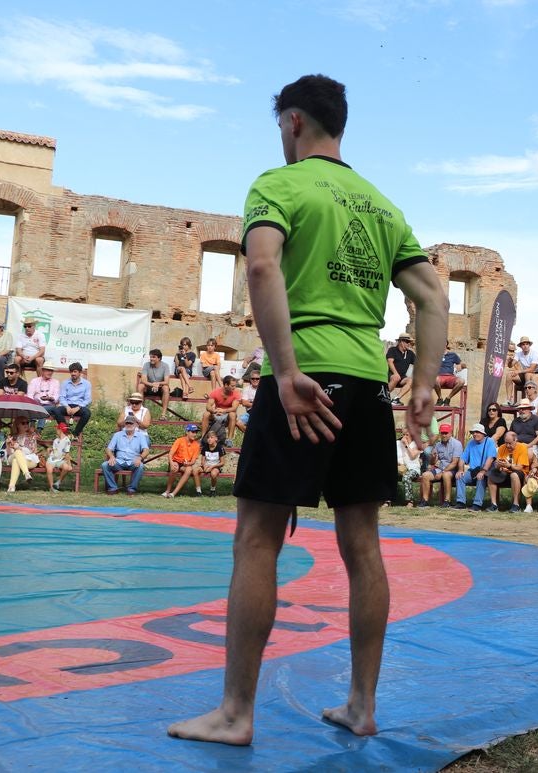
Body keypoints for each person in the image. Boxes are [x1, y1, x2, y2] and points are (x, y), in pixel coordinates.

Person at [168, 74, 449, 746]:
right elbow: (433, 299)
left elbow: (263, 270)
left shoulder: (279, 184)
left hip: (303, 381)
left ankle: (236, 712)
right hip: (367, 383)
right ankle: (361, 704)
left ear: (294, 122)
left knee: (257, 538)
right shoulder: (383, 206)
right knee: (362, 545)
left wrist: (288, 371)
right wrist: (424, 386)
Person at [101, 416, 150, 495]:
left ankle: (132, 489)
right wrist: (112, 456)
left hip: (133, 461)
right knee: (105, 465)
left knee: (140, 466)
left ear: (136, 425)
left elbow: (146, 450)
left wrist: (140, 458)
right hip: (119, 461)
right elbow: (108, 449)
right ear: (124, 424)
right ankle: (113, 488)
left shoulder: (141, 436)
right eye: (127, 423)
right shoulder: (117, 435)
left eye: (131, 423)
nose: (129, 425)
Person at [417, 423, 462, 507]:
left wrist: (442, 472)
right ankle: (425, 500)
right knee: (425, 475)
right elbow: (432, 463)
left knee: (446, 475)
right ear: (440, 434)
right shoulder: (438, 445)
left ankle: (447, 501)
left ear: (450, 433)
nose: (444, 435)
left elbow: (455, 462)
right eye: (442, 433)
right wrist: (433, 457)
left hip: (452, 469)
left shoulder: (457, 444)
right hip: (440, 468)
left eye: (446, 433)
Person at [454, 423, 497, 510]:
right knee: (460, 477)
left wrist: (483, 471)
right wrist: (460, 470)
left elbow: (491, 458)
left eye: (477, 432)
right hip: (473, 471)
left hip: (485, 470)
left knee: (481, 477)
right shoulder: (471, 443)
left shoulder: (489, 442)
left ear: (483, 433)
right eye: (473, 432)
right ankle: (460, 502)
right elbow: (462, 458)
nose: (474, 434)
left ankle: (477, 504)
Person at [488, 429, 530, 512]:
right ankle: (494, 504)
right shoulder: (502, 448)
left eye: (510, 443)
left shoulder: (522, 448)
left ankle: (516, 504)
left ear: (516, 440)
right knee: (491, 474)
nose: (507, 445)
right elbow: (497, 464)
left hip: (519, 473)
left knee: (514, 475)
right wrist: (498, 465)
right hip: (504, 472)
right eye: (506, 442)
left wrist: (509, 466)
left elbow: (520, 467)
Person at [46, 363, 91, 437]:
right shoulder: (65, 383)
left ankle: (75, 434)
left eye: (75, 372)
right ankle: (66, 431)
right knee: (57, 410)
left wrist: (78, 407)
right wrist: (67, 407)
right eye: (71, 372)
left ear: (80, 372)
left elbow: (87, 399)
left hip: (79, 406)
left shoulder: (87, 384)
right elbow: (62, 397)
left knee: (87, 413)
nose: (73, 374)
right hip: (67, 405)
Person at [163, 424, 202, 498]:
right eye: (193, 432)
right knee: (174, 468)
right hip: (176, 461)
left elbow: (193, 461)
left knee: (189, 469)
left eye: (196, 432)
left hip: (186, 463)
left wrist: (188, 463)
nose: (195, 434)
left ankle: (173, 493)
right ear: (187, 432)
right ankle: (167, 490)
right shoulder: (179, 440)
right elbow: (170, 454)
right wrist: (171, 463)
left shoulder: (197, 445)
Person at [201, 375, 242, 445]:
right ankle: (203, 438)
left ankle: (229, 440)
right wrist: (214, 411)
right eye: (232, 386)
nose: (234, 387)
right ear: (226, 385)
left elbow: (234, 408)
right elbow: (208, 406)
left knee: (233, 414)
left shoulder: (236, 393)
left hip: (227, 415)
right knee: (206, 414)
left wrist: (223, 411)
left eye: (235, 386)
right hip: (216, 414)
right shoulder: (216, 392)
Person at [4, 416, 40, 493]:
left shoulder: (32, 435)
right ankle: (26, 473)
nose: (26, 424)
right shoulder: (12, 437)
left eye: (27, 422)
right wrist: (7, 444)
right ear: (17, 425)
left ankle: (11, 486)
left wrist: (19, 447)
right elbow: (9, 453)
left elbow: (31, 451)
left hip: (29, 459)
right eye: (23, 423)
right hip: (12, 456)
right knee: (16, 453)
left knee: (15, 461)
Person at [138, 348, 171, 416]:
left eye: (153, 357)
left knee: (166, 388)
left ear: (159, 358)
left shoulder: (165, 366)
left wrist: (157, 384)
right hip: (149, 388)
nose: (151, 359)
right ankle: (140, 412)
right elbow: (143, 380)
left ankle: (163, 414)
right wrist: (152, 384)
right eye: (150, 357)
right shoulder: (146, 365)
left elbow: (166, 381)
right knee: (140, 386)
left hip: (160, 389)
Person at [385, 334, 415, 405]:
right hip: (391, 375)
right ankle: (383, 397)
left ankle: (396, 399)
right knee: (396, 377)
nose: (409, 344)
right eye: (407, 342)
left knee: (411, 380)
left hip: (402, 377)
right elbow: (390, 362)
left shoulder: (410, 353)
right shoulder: (392, 350)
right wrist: (395, 373)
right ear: (401, 342)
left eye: (410, 342)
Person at [508, 336, 538, 404]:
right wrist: (510, 361)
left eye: (527, 344)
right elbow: (510, 365)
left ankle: (528, 399)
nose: (525, 346)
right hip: (524, 373)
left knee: (527, 374)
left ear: (529, 345)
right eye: (523, 344)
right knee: (509, 375)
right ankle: (509, 400)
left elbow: (532, 369)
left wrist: (519, 371)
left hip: (535, 374)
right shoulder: (518, 354)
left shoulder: (534, 354)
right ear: (521, 346)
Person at [395, 427, 422, 506]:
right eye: (403, 434)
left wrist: (406, 445)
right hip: (403, 468)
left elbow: (413, 455)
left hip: (414, 469)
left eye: (407, 435)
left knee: (407, 477)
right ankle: (387, 500)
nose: (404, 437)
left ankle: (410, 501)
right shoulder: (399, 444)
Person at [44, 421, 73, 493]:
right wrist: (49, 451)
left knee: (66, 467)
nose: (56, 431)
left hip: (60, 460)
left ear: (60, 430)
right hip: (52, 459)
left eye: (57, 429)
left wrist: (69, 465)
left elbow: (67, 453)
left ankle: (58, 482)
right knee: (49, 469)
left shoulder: (67, 440)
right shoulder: (56, 440)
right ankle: (51, 488)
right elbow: (55, 451)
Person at [196, 430, 226, 495]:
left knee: (213, 474)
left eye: (211, 437)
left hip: (216, 466)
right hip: (206, 465)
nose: (209, 439)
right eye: (208, 438)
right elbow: (203, 460)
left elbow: (222, 463)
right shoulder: (205, 447)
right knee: (196, 470)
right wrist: (204, 466)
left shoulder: (220, 448)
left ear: (216, 439)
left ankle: (212, 490)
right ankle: (198, 491)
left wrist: (212, 467)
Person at [236, 371, 260, 436]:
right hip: (250, 412)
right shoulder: (246, 389)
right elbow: (244, 403)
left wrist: (251, 403)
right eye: (253, 378)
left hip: (262, 412)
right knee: (239, 423)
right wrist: (258, 403)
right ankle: (252, 435)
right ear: (250, 379)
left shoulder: (264, 389)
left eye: (257, 378)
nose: (255, 380)